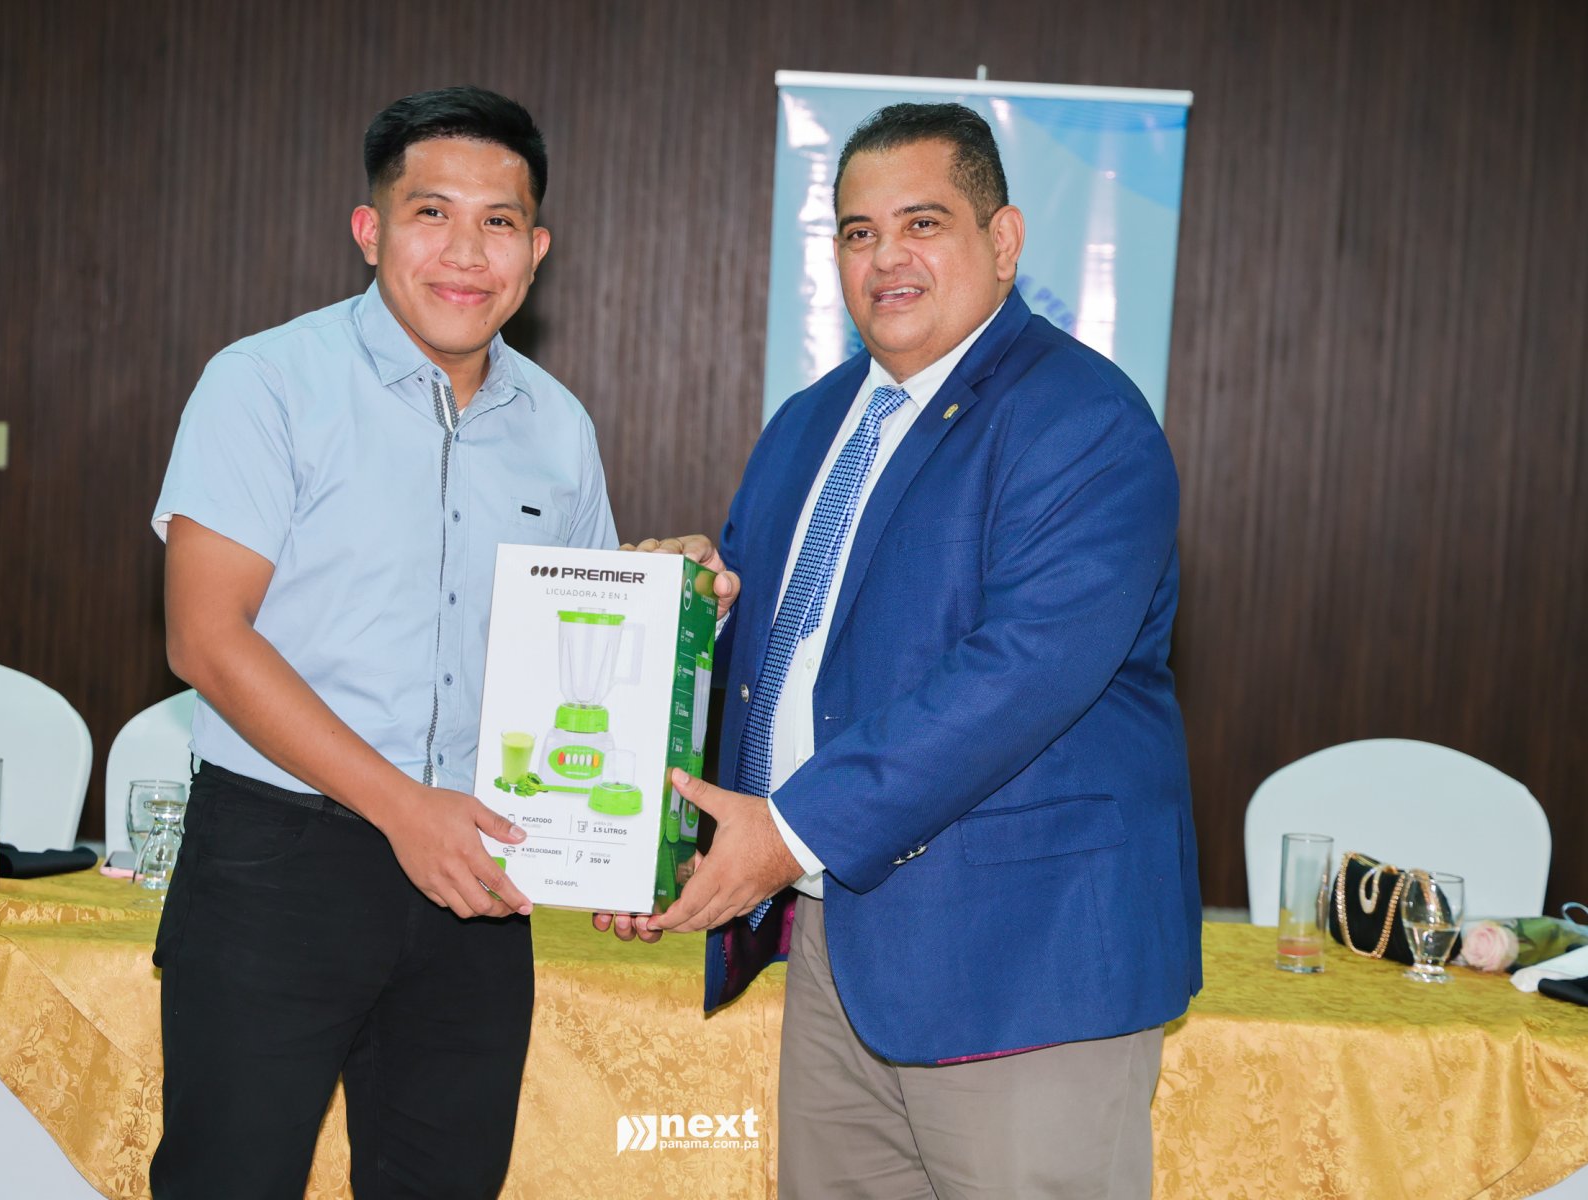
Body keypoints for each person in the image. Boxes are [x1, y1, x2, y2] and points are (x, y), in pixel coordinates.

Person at [601, 102, 1201, 1198]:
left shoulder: (1085, 421)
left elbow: (1020, 674)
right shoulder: (809, 423)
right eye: (858, 232)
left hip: (1026, 972)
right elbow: (791, 652)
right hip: (839, 948)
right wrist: (697, 607)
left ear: (1004, 240)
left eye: (923, 223)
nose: (887, 258)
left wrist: (786, 832)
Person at [148, 85, 616, 1199]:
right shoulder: (266, 383)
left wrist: (681, 599)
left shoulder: (560, 427)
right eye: (430, 213)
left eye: (499, 222)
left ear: (537, 250)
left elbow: (584, 640)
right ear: (370, 230)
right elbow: (205, 640)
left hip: (477, 875)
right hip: (279, 861)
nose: (466, 252)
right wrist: (403, 809)